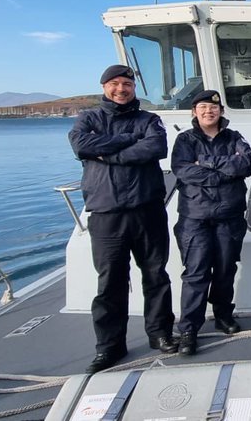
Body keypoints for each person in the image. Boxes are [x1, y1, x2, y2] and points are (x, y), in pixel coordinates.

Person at [67, 64, 177, 374]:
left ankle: (160, 334)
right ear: (104, 87)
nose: (121, 89)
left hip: (147, 209)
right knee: (110, 282)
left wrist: (107, 153)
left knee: (156, 275)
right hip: (106, 212)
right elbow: (81, 146)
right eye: (114, 84)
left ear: (134, 88)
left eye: (126, 84)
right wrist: (129, 141)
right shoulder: (88, 119)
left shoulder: (149, 120)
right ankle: (110, 347)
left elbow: (154, 147)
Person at [170, 90, 251, 355]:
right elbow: (183, 170)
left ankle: (223, 315)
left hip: (229, 215)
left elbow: (246, 165)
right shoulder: (185, 140)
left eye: (214, 107)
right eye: (203, 107)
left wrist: (206, 163)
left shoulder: (234, 137)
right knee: (195, 272)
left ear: (221, 112)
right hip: (195, 218)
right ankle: (189, 329)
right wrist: (221, 173)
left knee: (225, 268)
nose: (209, 111)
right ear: (194, 111)